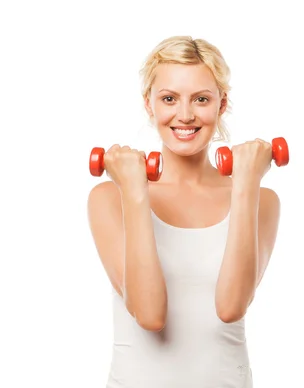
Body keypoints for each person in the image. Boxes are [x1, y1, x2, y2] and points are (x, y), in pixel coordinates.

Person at [87, 35, 281, 388]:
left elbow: (230, 307)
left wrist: (246, 184)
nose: (186, 115)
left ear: (222, 105)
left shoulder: (261, 199)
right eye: (169, 99)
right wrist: (134, 190)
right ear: (149, 104)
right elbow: (149, 314)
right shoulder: (108, 197)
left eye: (202, 99)